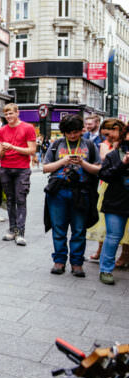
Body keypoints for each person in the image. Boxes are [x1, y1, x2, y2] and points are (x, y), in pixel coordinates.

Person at [43, 114, 100, 277]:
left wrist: (83, 163)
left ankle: (77, 263)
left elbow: (98, 169)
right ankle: (59, 261)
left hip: (81, 191)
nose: (73, 135)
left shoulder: (89, 145)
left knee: (79, 229)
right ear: (64, 132)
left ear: (81, 130)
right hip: (59, 191)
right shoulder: (56, 144)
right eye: (69, 132)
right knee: (58, 228)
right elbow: (46, 168)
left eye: (75, 132)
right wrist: (63, 161)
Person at [86, 119, 129, 265]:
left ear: (117, 128)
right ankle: (102, 255)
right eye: (105, 135)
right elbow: (105, 161)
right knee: (108, 226)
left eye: (108, 134)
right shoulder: (110, 147)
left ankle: (125, 255)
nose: (107, 138)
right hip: (112, 186)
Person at [0, 103, 37, 246]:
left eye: (11, 113)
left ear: (17, 113)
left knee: (21, 200)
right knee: (10, 200)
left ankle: (20, 232)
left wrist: (13, 147)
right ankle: (12, 229)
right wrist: (3, 151)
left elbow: (31, 150)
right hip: (6, 168)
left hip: (22, 169)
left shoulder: (28, 128)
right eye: (6, 114)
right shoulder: (1, 131)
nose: (8, 116)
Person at [96, 124, 129, 285]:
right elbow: (104, 175)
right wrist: (123, 164)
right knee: (113, 236)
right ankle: (106, 270)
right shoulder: (114, 155)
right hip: (116, 202)